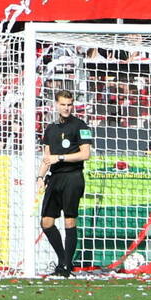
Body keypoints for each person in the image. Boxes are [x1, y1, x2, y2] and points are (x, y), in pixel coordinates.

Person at [36, 89, 93, 277]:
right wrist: (39, 177)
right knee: (46, 222)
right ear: (56, 105)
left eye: (69, 105)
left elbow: (85, 154)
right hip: (55, 178)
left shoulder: (80, 125)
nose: (66, 108)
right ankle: (63, 261)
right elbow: (47, 157)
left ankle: (66, 267)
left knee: (69, 221)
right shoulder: (50, 128)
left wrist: (60, 157)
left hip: (73, 177)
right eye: (63, 104)